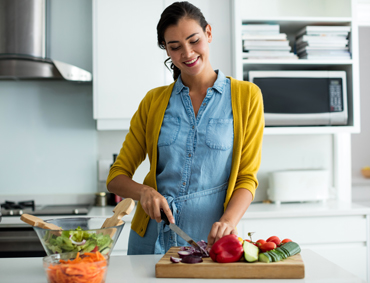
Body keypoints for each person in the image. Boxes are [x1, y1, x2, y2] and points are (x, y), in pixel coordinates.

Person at [106, 1, 264, 255]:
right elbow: (116, 177)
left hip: (212, 240)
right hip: (151, 238)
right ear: (166, 50)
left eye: (194, 40)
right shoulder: (153, 101)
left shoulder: (246, 96)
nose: (188, 53)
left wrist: (229, 222)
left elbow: (247, 178)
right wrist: (144, 192)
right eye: (175, 47)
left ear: (208, 33)